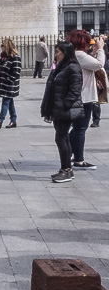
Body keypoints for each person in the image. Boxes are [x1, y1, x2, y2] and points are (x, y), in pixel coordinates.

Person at [41, 41, 83, 183]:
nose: (56, 54)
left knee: (60, 138)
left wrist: (66, 104)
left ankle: (65, 169)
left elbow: (75, 90)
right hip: (57, 108)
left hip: (65, 109)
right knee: (63, 138)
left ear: (66, 53)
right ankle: (67, 170)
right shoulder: (61, 67)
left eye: (58, 51)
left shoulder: (73, 68)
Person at [67, 29, 105, 171]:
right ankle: (79, 160)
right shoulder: (79, 55)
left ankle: (70, 153)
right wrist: (100, 49)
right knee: (81, 129)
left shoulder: (73, 54)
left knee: (77, 128)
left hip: (78, 96)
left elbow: (91, 63)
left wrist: (94, 53)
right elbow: (99, 65)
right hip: (84, 97)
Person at [0, 38, 22, 129]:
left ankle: (0, 120)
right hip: (4, 84)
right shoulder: (4, 58)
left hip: (10, 85)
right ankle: (13, 120)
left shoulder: (15, 58)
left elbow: (16, 73)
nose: (1, 47)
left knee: (5, 101)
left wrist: (8, 79)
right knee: (10, 102)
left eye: (3, 46)